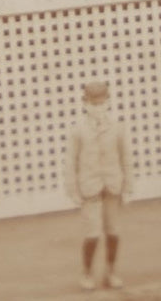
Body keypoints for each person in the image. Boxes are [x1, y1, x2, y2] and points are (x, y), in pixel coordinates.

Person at [64, 80, 132, 291]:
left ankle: (111, 272)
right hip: (89, 188)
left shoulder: (117, 128)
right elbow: (70, 163)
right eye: (94, 105)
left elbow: (125, 158)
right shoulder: (78, 131)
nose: (98, 109)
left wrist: (128, 187)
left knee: (113, 232)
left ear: (108, 103)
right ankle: (86, 273)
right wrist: (73, 191)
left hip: (112, 185)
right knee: (92, 233)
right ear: (85, 105)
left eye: (102, 104)